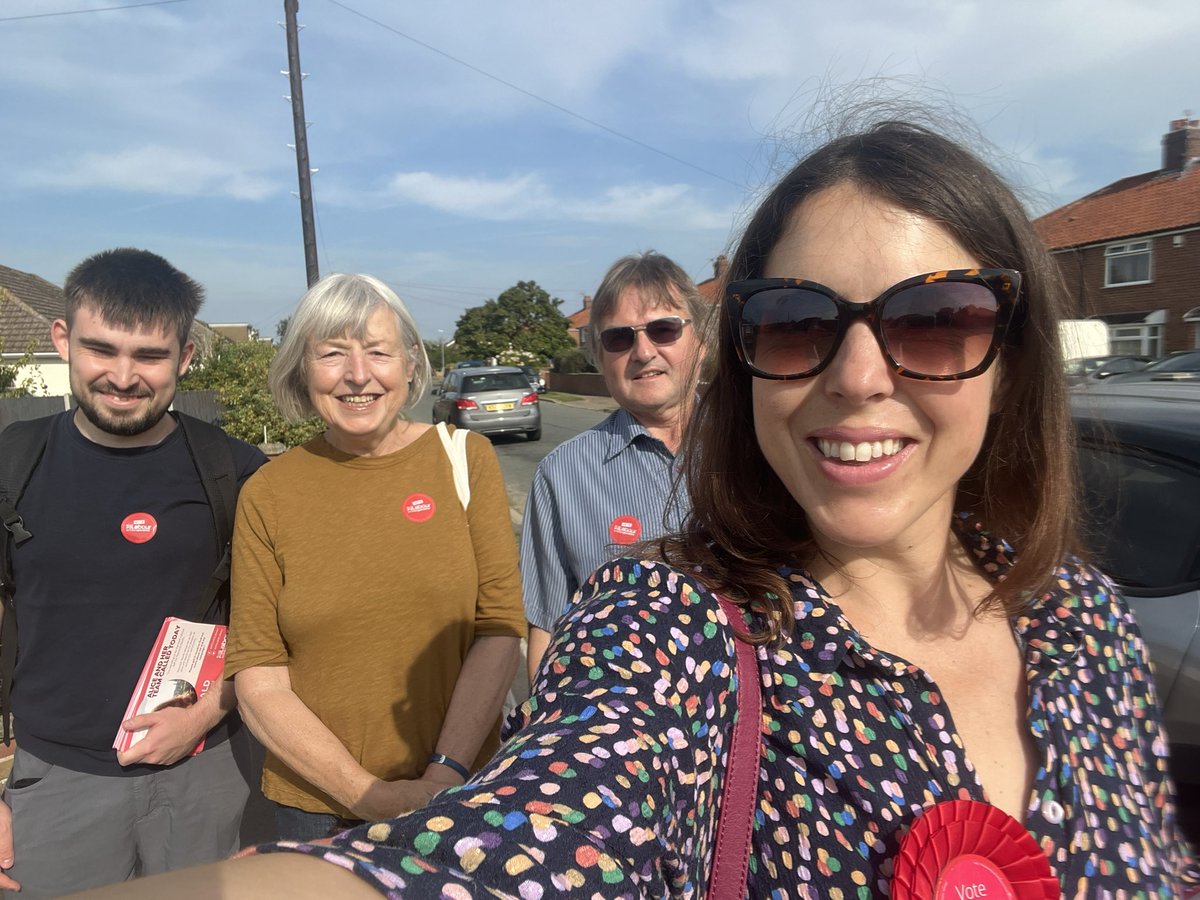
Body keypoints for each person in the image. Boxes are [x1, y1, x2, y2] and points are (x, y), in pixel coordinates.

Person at [71, 121, 1200, 898]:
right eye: (800, 323)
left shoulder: (1088, 627)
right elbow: (547, 785)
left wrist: (441, 774)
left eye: (935, 319)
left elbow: (493, 630)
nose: (860, 377)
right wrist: (403, 806)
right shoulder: (666, 620)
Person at [0, 248, 267, 898]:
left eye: (149, 356)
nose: (123, 377)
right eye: (101, 349)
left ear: (184, 357)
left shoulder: (238, 472)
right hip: (55, 784)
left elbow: (275, 629)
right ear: (63, 339)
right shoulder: (11, 464)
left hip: (209, 775)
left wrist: (203, 716)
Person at [225, 273, 525, 842]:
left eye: (378, 352)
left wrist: (443, 775)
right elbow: (258, 676)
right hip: (316, 805)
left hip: (460, 790)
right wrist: (366, 793)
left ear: (410, 363)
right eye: (332, 353)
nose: (358, 374)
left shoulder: (465, 459)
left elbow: (499, 628)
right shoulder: (268, 493)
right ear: (302, 369)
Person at [521, 251, 706, 680]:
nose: (643, 351)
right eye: (619, 339)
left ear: (702, 340)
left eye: (664, 329)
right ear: (600, 358)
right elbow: (547, 628)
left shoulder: (760, 447)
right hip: (625, 717)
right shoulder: (562, 475)